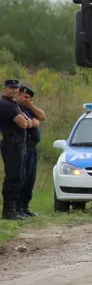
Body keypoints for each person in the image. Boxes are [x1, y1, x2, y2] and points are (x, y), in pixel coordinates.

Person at [1, 78, 33, 220]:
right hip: (11, 143)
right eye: (11, 88)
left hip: (18, 143)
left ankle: (15, 208)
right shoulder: (6, 104)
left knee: (19, 176)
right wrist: (25, 120)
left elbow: (26, 120)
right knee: (13, 176)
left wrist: (25, 120)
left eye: (16, 88)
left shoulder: (13, 104)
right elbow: (23, 123)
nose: (14, 90)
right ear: (5, 88)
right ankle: (8, 210)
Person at [16, 85, 46, 216]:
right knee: (21, 177)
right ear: (18, 95)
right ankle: (17, 207)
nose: (27, 100)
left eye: (29, 98)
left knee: (30, 178)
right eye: (25, 97)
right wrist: (34, 122)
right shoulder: (14, 108)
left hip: (32, 148)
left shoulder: (28, 108)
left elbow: (42, 117)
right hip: (22, 147)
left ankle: (25, 206)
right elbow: (27, 123)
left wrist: (31, 107)